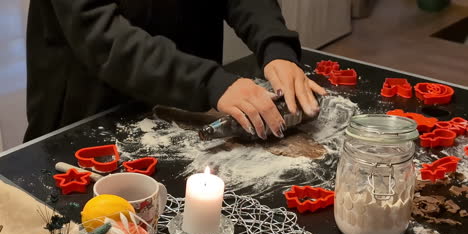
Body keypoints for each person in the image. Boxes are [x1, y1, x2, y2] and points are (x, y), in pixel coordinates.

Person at [24, 0, 327, 142]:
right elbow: (103, 37)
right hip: (90, 110)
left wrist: (275, 46)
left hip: (185, 102)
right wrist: (210, 82)